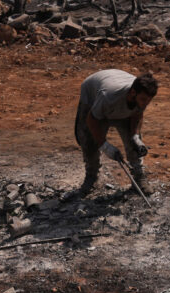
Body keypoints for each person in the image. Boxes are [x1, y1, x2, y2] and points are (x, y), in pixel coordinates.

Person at [62, 69, 159, 201]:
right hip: (93, 98)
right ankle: (91, 177)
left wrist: (135, 136)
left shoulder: (142, 96)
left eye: (148, 101)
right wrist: (104, 145)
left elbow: (137, 113)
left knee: (134, 144)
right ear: (132, 92)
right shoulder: (108, 96)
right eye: (143, 100)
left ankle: (139, 177)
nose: (145, 104)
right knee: (89, 141)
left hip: (116, 92)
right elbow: (92, 120)